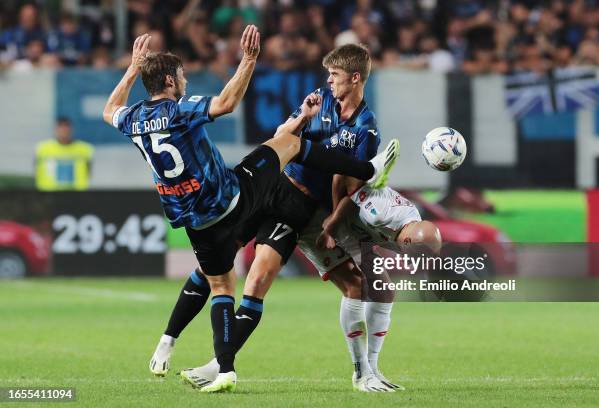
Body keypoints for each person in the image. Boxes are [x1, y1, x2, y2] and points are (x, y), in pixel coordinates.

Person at [103, 27, 399, 393]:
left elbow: (345, 186)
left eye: (334, 75)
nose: (328, 81)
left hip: (294, 208)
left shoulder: (365, 127)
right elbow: (272, 127)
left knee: (254, 281)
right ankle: (200, 354)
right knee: (215, 274)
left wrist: (334, 223)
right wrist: (301, 115)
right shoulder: (318, 99)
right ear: (169, 79)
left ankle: (211, 360)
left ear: (355, 79)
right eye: (328, 76)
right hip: (262, 190)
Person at [35, 117, 94, 191]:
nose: (64, 130)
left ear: (71, 129)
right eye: (61, 127)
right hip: (49, 195)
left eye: (66, 127)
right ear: (56, 129)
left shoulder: (84, 150)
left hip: (77, 196)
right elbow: (37, 172)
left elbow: (88, 172)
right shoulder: (43, 149)